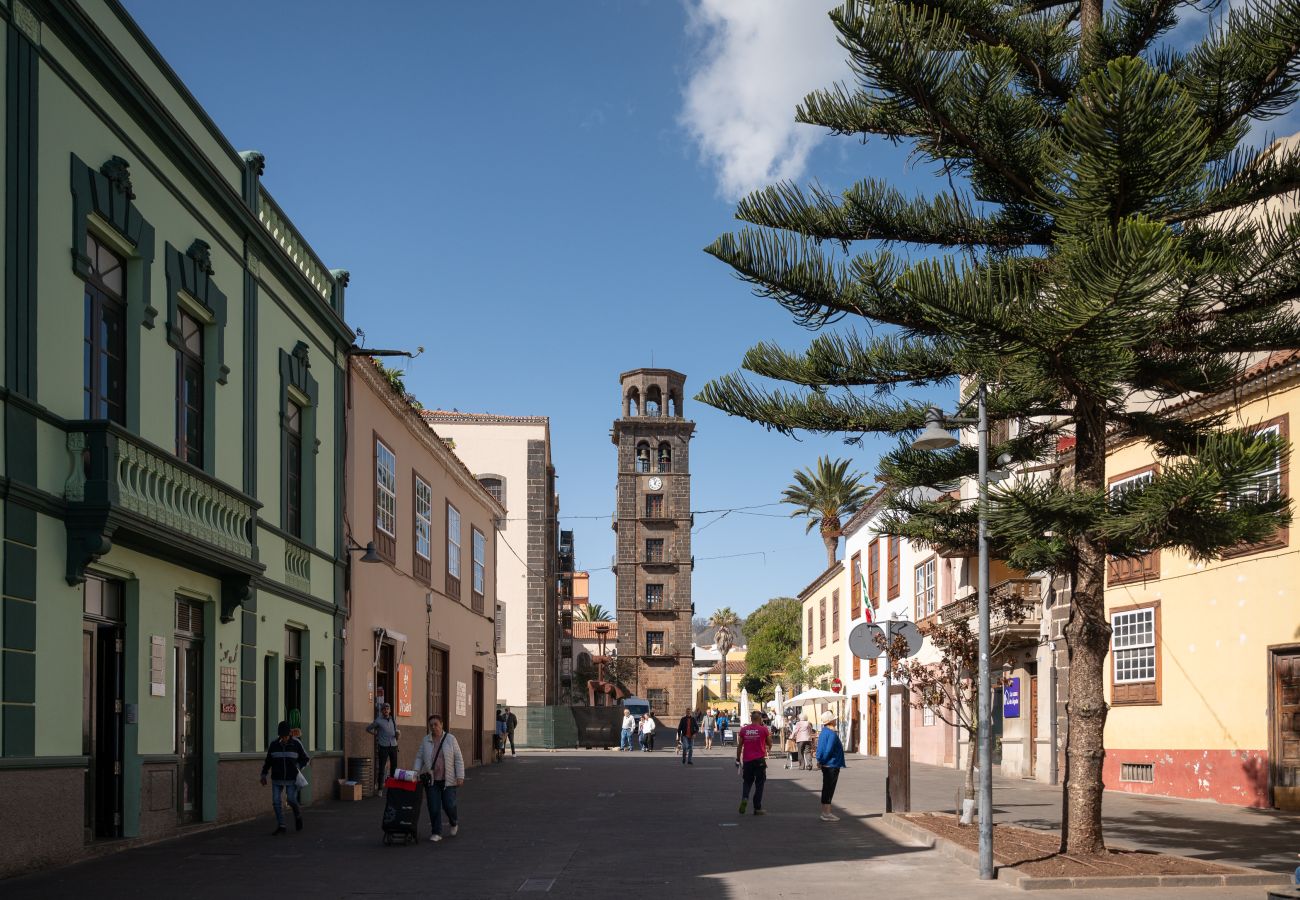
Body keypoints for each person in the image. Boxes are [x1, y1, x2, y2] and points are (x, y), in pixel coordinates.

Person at [414, 713, 465, 843]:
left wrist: (460, 776)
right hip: (432, 781)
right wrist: (415, 771)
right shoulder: (426, 740)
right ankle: (436, 832)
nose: (433, 727)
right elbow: (419, 757)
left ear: (442, 724)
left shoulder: (451, 739)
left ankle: (454, 822)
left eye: (436, 724)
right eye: (431, 725)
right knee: (434, 806)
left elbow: (458, 758)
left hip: (448, 780)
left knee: (449, 805)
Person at [260, 720, 309, 835]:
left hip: (292, 778)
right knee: (276, 801)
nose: (284, 738)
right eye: (282, 736)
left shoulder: (296, 744)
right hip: (277, 778)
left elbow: (305, 758)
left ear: (290, 734)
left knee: (291, 799)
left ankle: (297, 814)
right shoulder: (274, 745)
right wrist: (263, 774)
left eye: (286, 736)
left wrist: (298, 767)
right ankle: (281, 825)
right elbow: (268, 761)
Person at [736, 710, 770, 815]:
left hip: (747, 760)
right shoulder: (763, 729)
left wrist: (738, 758)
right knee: (759, 784)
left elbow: (740, 745)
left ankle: (745, 798)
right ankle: (757, 808)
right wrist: (768, 747)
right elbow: (769, 742)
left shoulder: (744, 730)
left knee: (747, 782)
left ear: (751, 719)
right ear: (760, 719)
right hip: (759, 760)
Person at [816, 710, 846, 821]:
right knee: (829, 789)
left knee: (826, 788)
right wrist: (822, 761)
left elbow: (820, 748)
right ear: (831, 721)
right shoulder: (832, 734)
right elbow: (828, 750)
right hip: (831, 764)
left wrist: (819, 760)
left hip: (826, 764)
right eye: (834, 719)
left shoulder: (823, 732)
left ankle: (825, 812)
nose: (836, 720)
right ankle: (826, 813)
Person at [366, 702, 400, 791]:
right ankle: (380, 788)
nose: (386, 710)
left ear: (390, 710)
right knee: (382, 767)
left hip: (393, 745)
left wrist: (397, 736)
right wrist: (375, 734)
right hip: (383, 746)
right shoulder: (378, 720)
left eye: (388, 709)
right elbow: (368, 728)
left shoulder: (393, 720)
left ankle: (392, 787)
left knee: (394, 767)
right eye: (384, 709)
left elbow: (395, 732)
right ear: (382, 711)